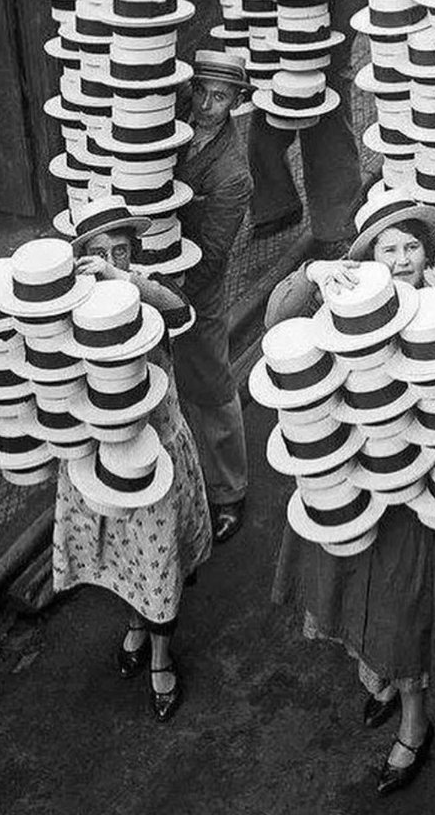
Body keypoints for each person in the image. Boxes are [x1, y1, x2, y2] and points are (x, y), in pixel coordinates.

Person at [268, 190, 435, 791]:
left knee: (402, 602)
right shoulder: (339, 308)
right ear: (370, 259)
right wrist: (313, 270)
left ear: (428, 254)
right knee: (343, 582)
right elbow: (278, 318)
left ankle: (415, 722)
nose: (404, 256)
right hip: (345, 477)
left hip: (413, 488)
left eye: (414, 245)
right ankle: (377, 680)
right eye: (390, 247)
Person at [54, 198, 212, 723]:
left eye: (119, 251)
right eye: (97, 254)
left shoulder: (145, 292)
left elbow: (182, 313)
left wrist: (127, 282)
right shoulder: (66, 308)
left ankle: (162, 659)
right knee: (122, 555)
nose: (109, 261)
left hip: (155, 454)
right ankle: (136, 624)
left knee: (159, 559)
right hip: (101, 459)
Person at [248, 0, 383, 246]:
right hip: (285, 52)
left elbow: (340, 36)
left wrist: (310, 73)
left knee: (329, 145)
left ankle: (339, 225)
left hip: (327, 60)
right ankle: (277, 207)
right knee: (265, 130)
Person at [173, 49, 254, 544]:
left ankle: (229, 490)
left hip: (197, 285)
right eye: (200, 91)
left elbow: (214, 253)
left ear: (236, 102)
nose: (206, 104)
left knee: (211, 384)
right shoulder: (174, 121)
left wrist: (173, 297)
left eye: (220, 97)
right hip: (152, 270)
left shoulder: (231, 173)